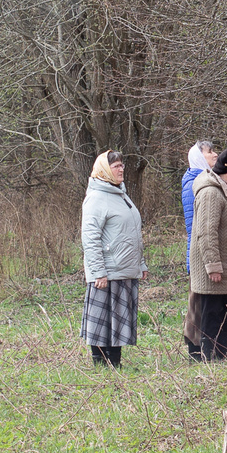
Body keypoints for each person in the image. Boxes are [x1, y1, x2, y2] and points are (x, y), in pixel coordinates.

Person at [81, 149, 147, 368]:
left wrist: (140, 263)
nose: (121, 169)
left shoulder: (120, 194)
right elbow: (90, 238)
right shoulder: (96, 198)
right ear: (104, 170)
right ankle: (100, 365)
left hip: (124, 268)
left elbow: (132, 233)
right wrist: (98, 272)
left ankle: (115, 363)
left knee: (118, 321)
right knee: (101, 320)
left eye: (122, 165)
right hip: (107, 272)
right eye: (116, 166)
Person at [187, 144, 227, 361]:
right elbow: (206, 232)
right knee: (213, 313)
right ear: (226, 168)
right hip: (215, 270)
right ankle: (209, 355)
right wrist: (213, 265)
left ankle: (221, 352)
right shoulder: (211, 193)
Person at [179, 140, 217, 272]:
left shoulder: (206, 179)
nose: (215, 155)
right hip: (199, 255)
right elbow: (194, 226)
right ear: (199, 157)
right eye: (210, 152)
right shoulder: (193, 184)